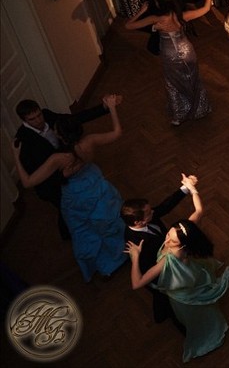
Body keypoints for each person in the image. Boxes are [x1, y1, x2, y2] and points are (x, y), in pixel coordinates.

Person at [12, 95, 127, 282]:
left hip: (75, 193)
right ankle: (124, 248)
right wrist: (112, 108)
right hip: (93, 180)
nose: (41, 120)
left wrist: (15, 156)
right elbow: (117, 132)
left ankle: (105, 263)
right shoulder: (89, 141)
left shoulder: (58, 159)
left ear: (60, 135)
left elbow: (27, 182)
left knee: (84, 229)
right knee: (108, 217)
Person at [125, 219, 229, 362]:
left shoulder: (168, 259)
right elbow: (197, 215)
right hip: (189, 278)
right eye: (168, 234)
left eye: (173, 241)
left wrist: (135, 257)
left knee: (194, 318)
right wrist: (196, 202)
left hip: (182, 295)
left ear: (183, 243)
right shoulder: (185, 238)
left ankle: (208, 333)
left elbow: (137, 283)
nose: (167, 240)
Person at [14, 97, 113, 240]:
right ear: (24, 120)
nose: (39, 120)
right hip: (50, 182)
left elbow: (73, 119)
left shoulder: (48, 115)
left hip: (67, 168)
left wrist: (104, 107)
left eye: (39, 115)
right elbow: (32, 174)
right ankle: (69, 233)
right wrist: (62, 176)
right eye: (32, 119)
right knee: (66, 208)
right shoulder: (22, 140)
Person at [125, 0, 216, 126]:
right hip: (187, 51)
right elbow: (206, 8)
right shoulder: (181, 15)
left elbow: (128, 26)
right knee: (193, 79)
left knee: (174, 83)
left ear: (158, 5)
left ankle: (180, 114)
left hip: (170, 55)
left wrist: (141, 11)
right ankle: (200, 109)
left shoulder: (156, 19)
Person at [121, 173, 200, 328]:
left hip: (167, 262)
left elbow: (165, 206)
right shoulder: (134, 242)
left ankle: (161, 312)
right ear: (138, 222)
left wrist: (185, 188)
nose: (153, 212)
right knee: (168, 300)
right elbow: (145, 270)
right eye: (149, 212)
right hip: (159, 273)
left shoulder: (147, 217)